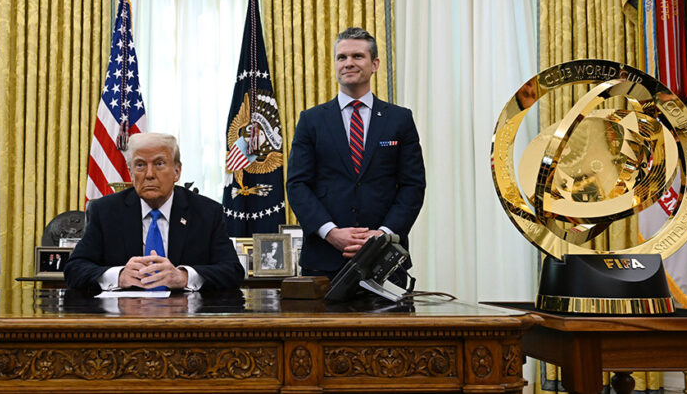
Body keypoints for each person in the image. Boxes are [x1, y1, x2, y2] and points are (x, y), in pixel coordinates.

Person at [287, 27, 426, 284]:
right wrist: (331, 232)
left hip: (385, 257)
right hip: (324, 259)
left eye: (357, 56)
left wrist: (382, 235)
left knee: (389, 326)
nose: (348, 63)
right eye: (342, 57)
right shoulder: (311, 120)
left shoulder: (400, 119)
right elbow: (297, 185)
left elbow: (412, 185)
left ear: (374, 64)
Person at [65, 133, 245, 293]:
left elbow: (232, 271)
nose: (149, 174)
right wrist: (119, 276)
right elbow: (74, 269)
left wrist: (183, 277)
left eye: (159, 164)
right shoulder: (105, 211)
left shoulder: (206, 212)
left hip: (187, 321)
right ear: (130, 173)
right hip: (123, 321)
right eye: (140, 165)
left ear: (176, 172)